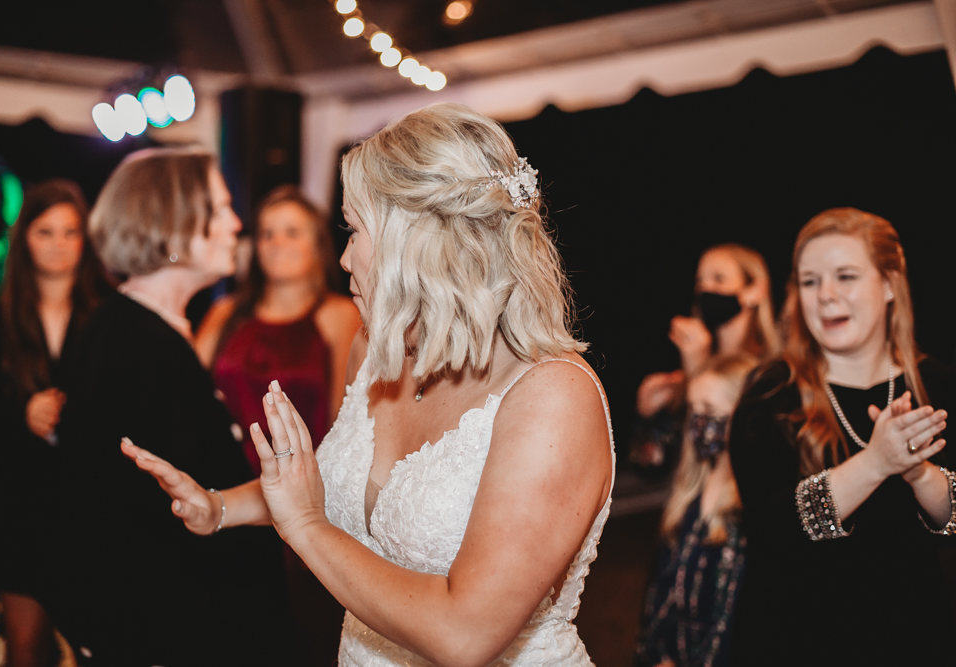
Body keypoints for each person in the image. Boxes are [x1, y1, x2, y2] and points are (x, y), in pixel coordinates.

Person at [122, 102, 615, 666]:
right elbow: (328, 486)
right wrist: (217, 508)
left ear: (420, 240)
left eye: (355, 231)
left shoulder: (552, 397)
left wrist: (306, 528)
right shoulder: (377, 355)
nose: (343, 257)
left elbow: (465, 635)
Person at [47, 148, 292, 666]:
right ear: (175, 223)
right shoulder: (133, 342)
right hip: (168, 634)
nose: (235, 224)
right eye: (221, 207)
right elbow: (125, 520)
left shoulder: (147, 329)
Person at [728, 208, 956, 665]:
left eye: (845, 276)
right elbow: (770, 530)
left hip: (914, 634)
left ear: (889, 284)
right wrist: (875, 463)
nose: (826, 296)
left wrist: (918, 471)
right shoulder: (771, 393)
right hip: (799, 638)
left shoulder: (936, 384)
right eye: (810, 281)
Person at [0, 179, 112, 667]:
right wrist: (19, 414)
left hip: (92, 508)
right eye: (46, 232)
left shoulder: (108, 316)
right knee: (25, 649)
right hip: (22, 507)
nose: (60, 245)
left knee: (95, 649)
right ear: (24, 236)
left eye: (71, 232)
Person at [194, 185, 360, 474]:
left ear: (318, 244)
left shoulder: (341, 316)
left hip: (301, 481)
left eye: (292, 233)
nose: (277, 243)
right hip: (218, 474)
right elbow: (188, 395)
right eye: (267, 234)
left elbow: (345, 419)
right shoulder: (225, 312)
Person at [636, 354, 756, 667]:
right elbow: (658, 595)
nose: (700, 423)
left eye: (712, 412)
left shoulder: (750, 511)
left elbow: (730, 619)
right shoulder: (687, 495)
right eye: (694, 411)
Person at [631, 245, 778, 474]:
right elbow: (653, 468)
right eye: (700, 281)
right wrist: (647, 417)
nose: (705, 288)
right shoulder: (694, 363)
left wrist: (698, 371)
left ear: (754, 291)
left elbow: (736, 454)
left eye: (718, 279)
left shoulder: (769, 370)